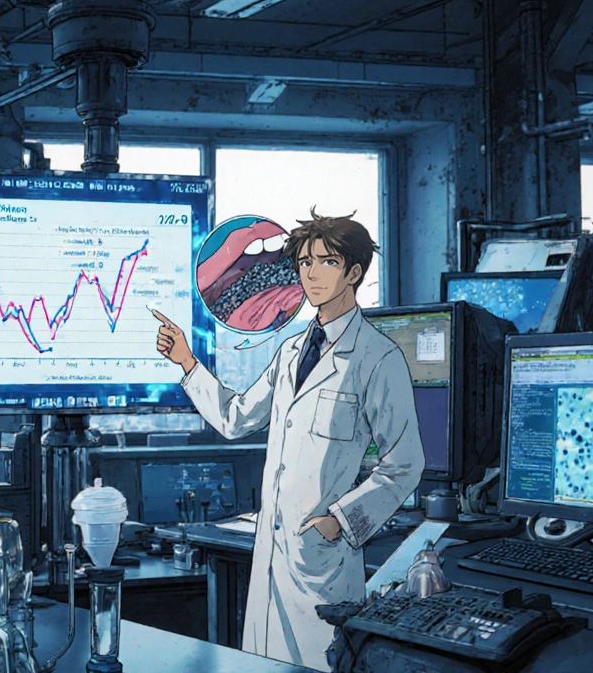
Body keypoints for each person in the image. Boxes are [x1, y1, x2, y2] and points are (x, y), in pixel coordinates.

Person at [154, 210, 424, 672]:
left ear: (354, 273)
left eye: (326, 262)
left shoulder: (378, 358)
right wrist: (187, 363)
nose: (312, 274)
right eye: (304, 263)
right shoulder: (290, 351)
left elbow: (405, 462)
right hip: (272, 558)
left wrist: (341, 521)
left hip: (323, 561)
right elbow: (237, 419)